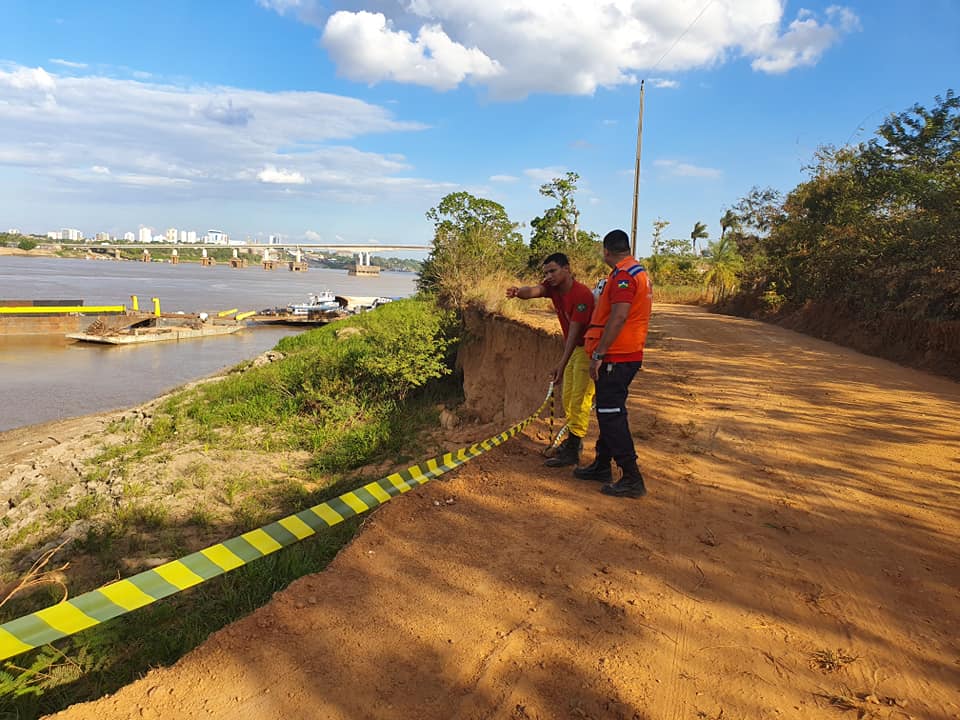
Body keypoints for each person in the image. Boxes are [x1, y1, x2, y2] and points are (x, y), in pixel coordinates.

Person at [575, 229, 653, 498]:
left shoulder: (623, 277)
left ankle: (631, 476)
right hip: (625, 354)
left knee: (611, 414)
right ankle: (601, 465)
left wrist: (599, 354)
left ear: (606, 250)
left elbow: (618, 317)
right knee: (609, 411)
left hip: (616, 357)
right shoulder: (635, 272)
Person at [506, 253, 595, 467]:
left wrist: (560, 366)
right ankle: (573, 442)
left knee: (579, 400)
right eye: (546, 272)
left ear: (567, 269)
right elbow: (534, 291)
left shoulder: (581, 295)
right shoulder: (553, 288)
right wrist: (518, 292)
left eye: (553, 270)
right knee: (567, 398)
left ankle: (573, 450)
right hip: (575, 350)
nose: (549, 276)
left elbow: (574, 335)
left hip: (588, 349)